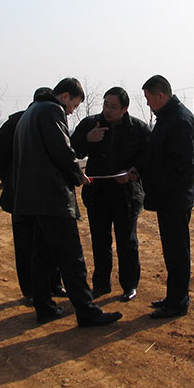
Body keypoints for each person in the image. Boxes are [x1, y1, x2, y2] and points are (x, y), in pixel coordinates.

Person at [11, 77, 122, 327]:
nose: (72, 111)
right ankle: (87, 311)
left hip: (33, 199)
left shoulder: (30, 112)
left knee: (42, 256)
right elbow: (61, 149)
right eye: (74, 105)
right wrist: (77, 174)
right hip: (53, 198)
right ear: (65, 97)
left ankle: (45, 307)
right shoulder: (52, 110)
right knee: (72, 257)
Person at [0, 87, 67, 305]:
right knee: (25, 245)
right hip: (21, 196)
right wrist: (12, 180)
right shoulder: (16, 122)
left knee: (50, 243)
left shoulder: (50, 119)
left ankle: (54, 284)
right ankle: (30, 291)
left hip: (45, 196)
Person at [71, 87, 151, 302]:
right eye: (105, 104)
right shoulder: (91, 124)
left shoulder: (138, 129)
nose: (107, 110)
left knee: (127, 242)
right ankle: (101, 285)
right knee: (100, 241)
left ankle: (129, 285)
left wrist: (134, 172)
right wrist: (89, 138)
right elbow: (72, 149)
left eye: (113, 107)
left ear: (125, 109)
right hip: (97, 193)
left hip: (126, 194)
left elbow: (149, 157)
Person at [128, 75, 194, 319]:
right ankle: (173, 297)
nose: (147, 104)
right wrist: (141, 170)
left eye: (149, 99)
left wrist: (156, 182)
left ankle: (178, 303)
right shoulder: (168, 118)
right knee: (172, 251)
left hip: (175, 199)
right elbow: (156, 155)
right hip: (168, 198)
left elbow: (181, 166)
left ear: (161, 95)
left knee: (178, 252)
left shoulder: (179, 120)